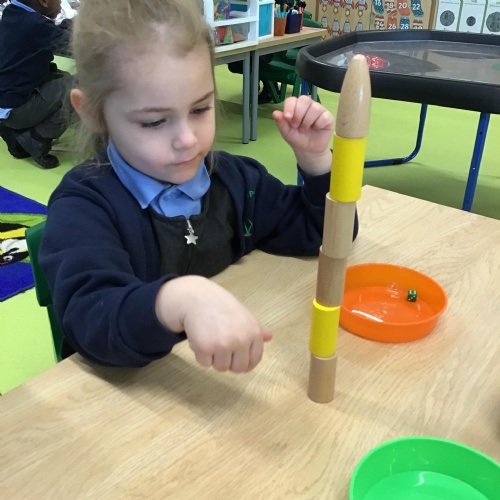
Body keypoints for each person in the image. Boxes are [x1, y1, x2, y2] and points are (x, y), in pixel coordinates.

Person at [39, 0, 358, 373]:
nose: (188, 140)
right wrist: (178, 299)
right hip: (132, 395)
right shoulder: (83, 207)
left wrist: (316, 161)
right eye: (154, 122)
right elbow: (92, 323)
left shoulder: (237, 180)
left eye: (200, 109)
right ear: (93, 112)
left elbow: (325, 235)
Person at [0, 0, 75, 169]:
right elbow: (77, 46)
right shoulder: (35, 25)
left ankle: (13, 130)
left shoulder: (13, 12)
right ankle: (37, 138)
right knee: (80, 88)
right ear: (44, 1)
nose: (61, 3)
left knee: (61, 77)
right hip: (18, 109)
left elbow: (50, 32)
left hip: (7, 101)